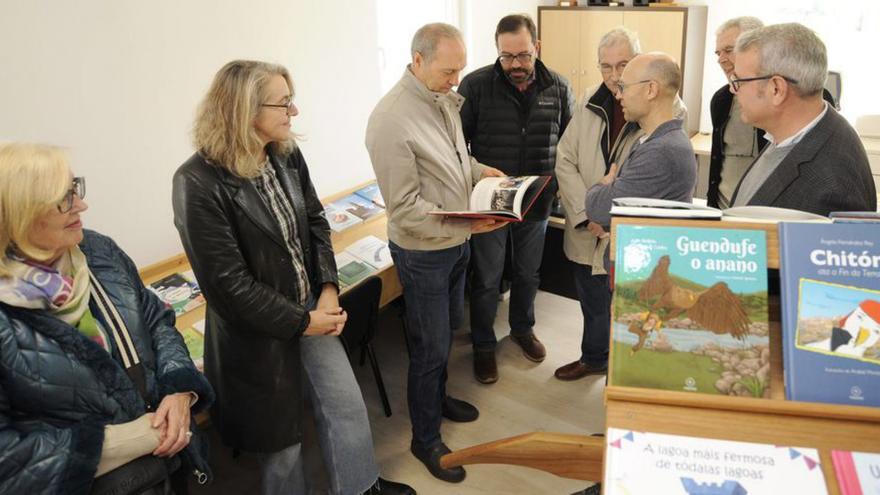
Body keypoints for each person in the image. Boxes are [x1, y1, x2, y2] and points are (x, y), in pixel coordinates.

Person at [172, 60, 413, 495]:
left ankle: (362, 488)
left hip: (310, 311)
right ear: (244, 110)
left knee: (346, 406)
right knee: (280, 445)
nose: (293, 112)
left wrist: (325, 290)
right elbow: (229, 286)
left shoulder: (284, 153)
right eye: (283, 103)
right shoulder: (197, 183)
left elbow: (316, 222)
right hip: (256, 334)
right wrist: (303, 322)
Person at [0, 143, 213, 494]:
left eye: (75, 189)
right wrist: (124, 440)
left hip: (171, 469)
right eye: (62, 198)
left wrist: (179, 390)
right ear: (19, 213)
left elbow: (157, 319)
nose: (81, 205)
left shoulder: (98, 251)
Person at [365, 23, 507, 483]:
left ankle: (439, 399)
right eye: (449, 71)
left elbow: (456, 163)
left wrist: (485, 172)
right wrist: (467, 220)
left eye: (460, 70)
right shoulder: (391, 119)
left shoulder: (441, 99)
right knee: (429, 349)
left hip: (455, 243)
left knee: (447, 331)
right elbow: (405, 210)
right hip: (425, 252)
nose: (456, 80)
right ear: (418, 60)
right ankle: (424, 439)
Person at [553, 29, 686, 382]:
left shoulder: (666, 115)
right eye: (606, 66)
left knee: (627, 315)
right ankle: (593, 358)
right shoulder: (587, 103)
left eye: (623, 66)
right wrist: (586, 215)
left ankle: (620, 377)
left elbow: (641, 182)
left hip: (626, 236)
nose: (614, 77)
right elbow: (565, 160)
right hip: (588, 227)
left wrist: (604, 211)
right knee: (592, 304)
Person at [458, 13, 574, 384]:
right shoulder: (475, 86)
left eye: (523, 56)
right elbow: (458, 148)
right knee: (488, 278)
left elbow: (569, 144)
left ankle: (522, 329)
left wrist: (560, 187)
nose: (516, 65)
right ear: (498, 52)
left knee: (528, 273)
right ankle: (482, 345)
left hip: (537, 202)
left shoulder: (558, 86)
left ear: (536, 48)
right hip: (491, 201)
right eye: (507, 57)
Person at [728, 23, 876, 214]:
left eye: (738, 81)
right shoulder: (788, 134)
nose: (732, 89)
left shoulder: (834, 186)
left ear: (776, 89)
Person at [585, 53, 696, 229]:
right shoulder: (654, 140)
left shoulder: (661, 152)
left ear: (651, 89)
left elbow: (598, 208)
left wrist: (601, 185)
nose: (618, 95)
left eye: (623, 87)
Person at [706, 17, 765, 209]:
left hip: (763, 216)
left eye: (729, 50)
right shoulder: (721, 100)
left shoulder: (782, 98)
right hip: (724, 216)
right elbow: (717, 166)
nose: (721, 59)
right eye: (718, 53)